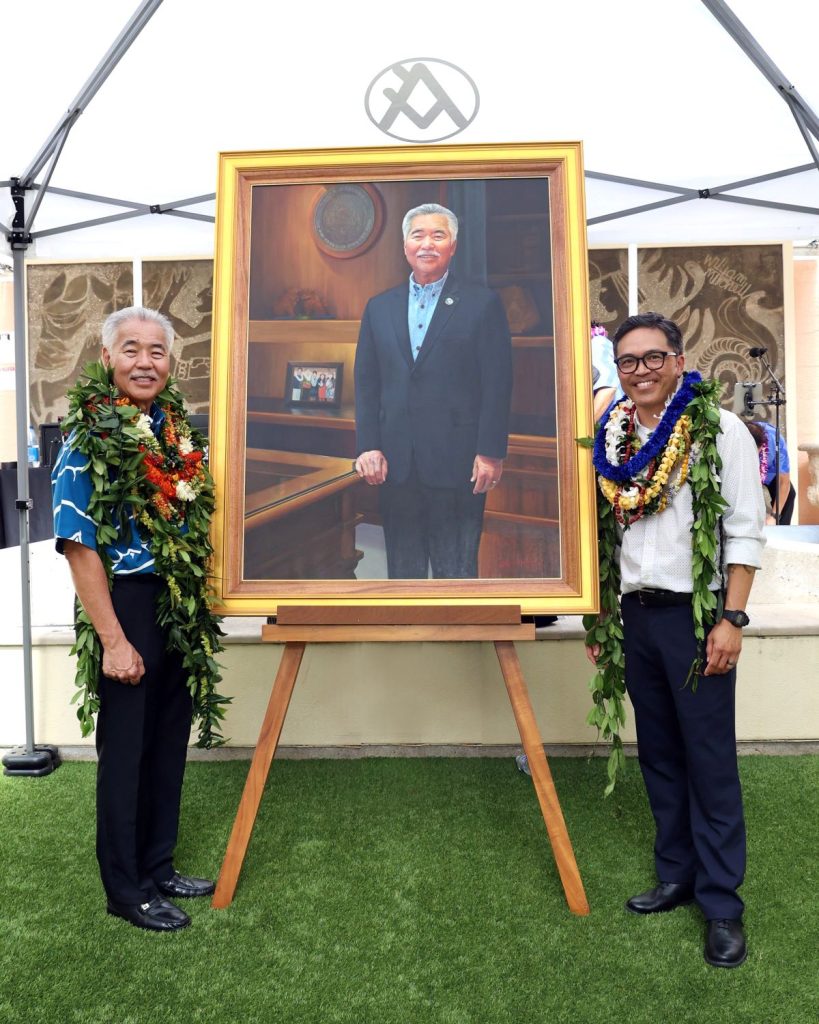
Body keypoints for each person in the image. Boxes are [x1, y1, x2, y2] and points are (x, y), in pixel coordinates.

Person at [587, 312, 765, 969]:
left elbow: (744, 530)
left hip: (697, 615)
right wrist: (601, 618)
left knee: (708, 760)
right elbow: (602, 534)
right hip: (636, 616)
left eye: (653, 357)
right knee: (659, 753)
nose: (640, 370)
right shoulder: (613, 435)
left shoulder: (717, 429)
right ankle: (676, 874)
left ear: (679, 360)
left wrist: (731, 619)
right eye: (628, 361)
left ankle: (721, 905)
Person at [51, 306, 223, 932]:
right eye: (131, 349)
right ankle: (126, 890)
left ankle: (158, 866)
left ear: (170, 362)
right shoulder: (87, 439)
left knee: (167, 740)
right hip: (124, 603)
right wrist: (114, 641)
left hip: (173, 604)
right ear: (107, 359)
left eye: (157, 351)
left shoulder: (173, 433)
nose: (145, 362)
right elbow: (80, 547)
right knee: (126, 752)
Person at [354, 203, 513, 578]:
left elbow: (498, 382)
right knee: (403, 574)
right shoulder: (379, 307)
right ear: (405, 245)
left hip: (458, 462)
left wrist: (490, 453)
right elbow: (367, 382)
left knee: (456, 572)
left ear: (453, 246)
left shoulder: (482, 304)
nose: (427, 244)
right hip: (396, 463)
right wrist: (368, 445)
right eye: (418, 235)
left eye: (438, 235)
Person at [745, 420, 794, 525]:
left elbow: (784, 482)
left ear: (762, 446)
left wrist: (774, 516)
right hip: (745, 475)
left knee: (790, 494)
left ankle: (781, 530)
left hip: (770, 473)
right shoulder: (735, 439)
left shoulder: (775, 439)